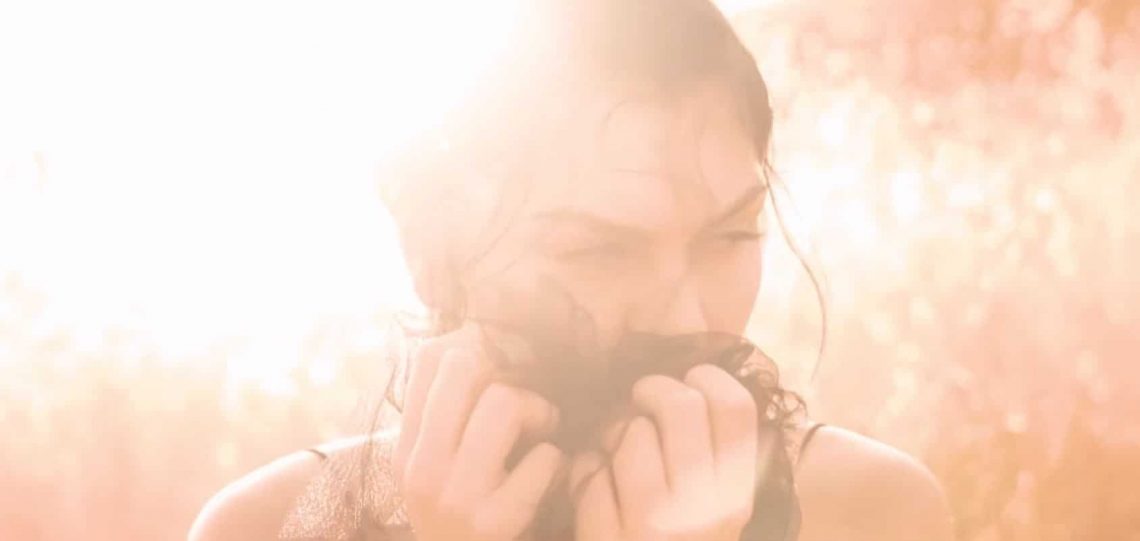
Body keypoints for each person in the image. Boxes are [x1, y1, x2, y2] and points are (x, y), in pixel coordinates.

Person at [190, 0, 954, 539]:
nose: (686, 320)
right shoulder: (272, 528)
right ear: (434, 258)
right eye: (598, 250)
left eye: (729, 235)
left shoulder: (867, 512)